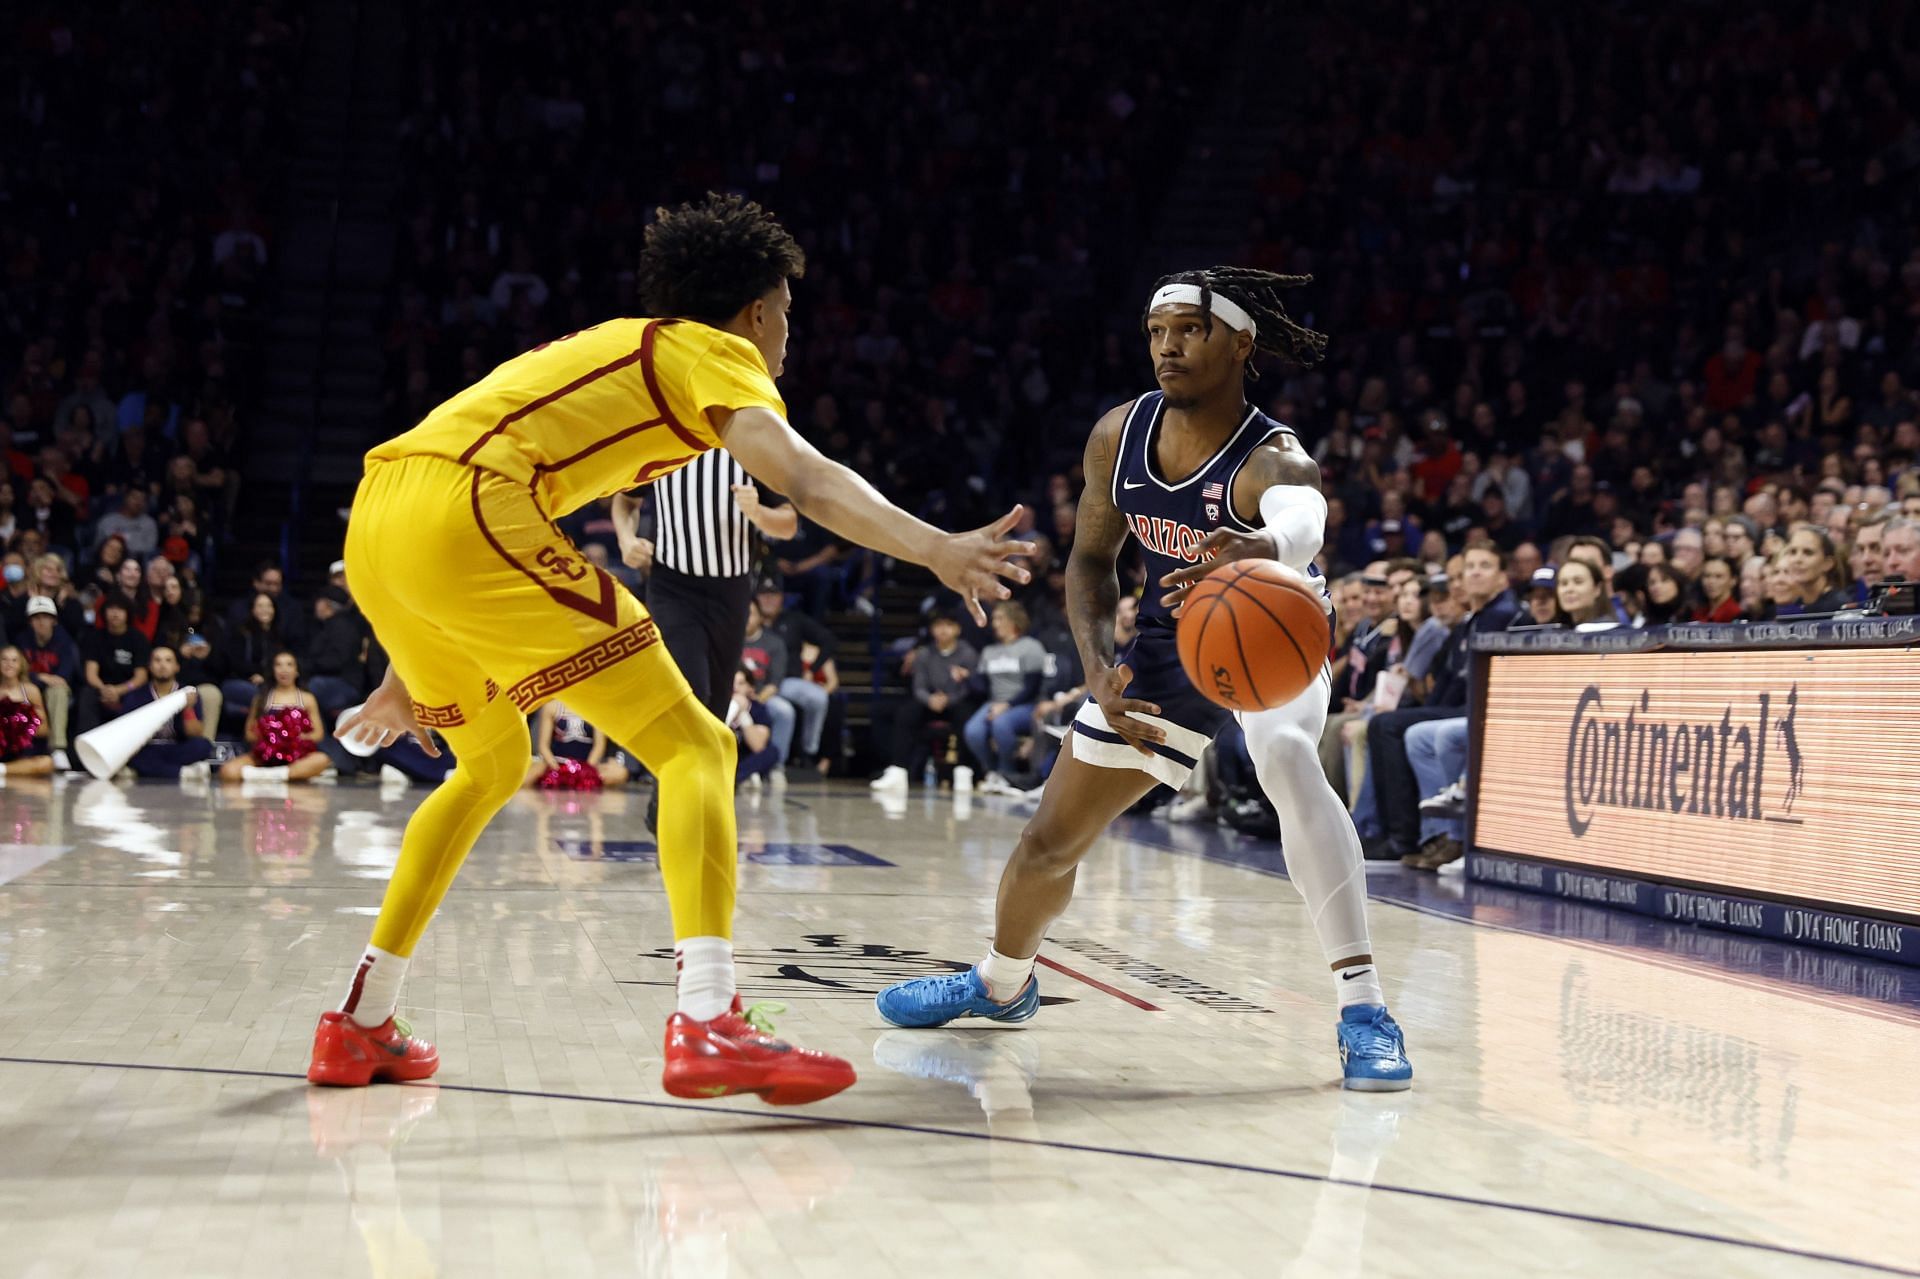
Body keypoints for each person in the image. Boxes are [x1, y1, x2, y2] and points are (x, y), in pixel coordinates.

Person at [312, 193, 1031, 1104]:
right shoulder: (710, 349)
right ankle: (708, 1014)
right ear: (760, 311)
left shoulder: (613, 350)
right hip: (467, 509)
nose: (784, 340)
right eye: (787, 318)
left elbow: (437, 513)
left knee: (490, 766)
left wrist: (401, 669)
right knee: (698, 744)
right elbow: (804, 476)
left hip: (382, 525)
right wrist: (937, 547)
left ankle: (362, 1019)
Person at [876, 267, 1411, 1090]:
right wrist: (1100, 671)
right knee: (1048, 841)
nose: (1168, 346)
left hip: (1273, 626)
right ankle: (1001, 983)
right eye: (1156, 332)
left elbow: (1305, 521)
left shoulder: (1274, 455)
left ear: (1240, 343)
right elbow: (1092, 561)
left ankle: (1364, 1006)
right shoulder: (1117, 435)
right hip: (1168, 642)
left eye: (1189, 330)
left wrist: (1262, 550)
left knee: (1288, 759)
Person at [872, 609, 976, 792]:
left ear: (958, 629)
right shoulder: (924, 654)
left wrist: (949, 699)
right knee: (906, 713)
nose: (943, 630)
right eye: (938, 626)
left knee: (966, 714)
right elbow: (918, 686)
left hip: (956, 700)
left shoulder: (967, 653)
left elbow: (969, 687)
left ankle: (962, 770)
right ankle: (898, 769)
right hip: (930, 700)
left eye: (949, 625)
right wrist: (930, 700)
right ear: (932, 629)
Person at [962, 601, 1047, 794]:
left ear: (1013, 621)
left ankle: (1007, 772)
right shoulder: (989, 651)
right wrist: (967, 678)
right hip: (995, 702)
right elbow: (982, 686)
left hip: (1025, 704)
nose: (995, 623)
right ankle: (992, 771)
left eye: (999, 618)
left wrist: (1007, 705)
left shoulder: (1031, 647)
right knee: (973, 730)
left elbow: (1032, 687)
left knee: (1001, 724)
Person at [217, 651, 333, 783]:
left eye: (289, 665)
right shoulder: (261, 698)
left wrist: (291, 739)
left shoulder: (307, 699)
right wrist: (270, 739)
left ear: (297, 671)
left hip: (297, 756)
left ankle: (273, 775)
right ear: (273, 670)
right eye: (279, 665)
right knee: (228, 771)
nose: (284, 670)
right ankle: (280, 775)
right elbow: (249, 733)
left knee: (322, 760)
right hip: (264, 756)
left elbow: (318, 734)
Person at [123, 647, 215, 781]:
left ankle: (154, 770)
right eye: (157, 660)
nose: (162, 665)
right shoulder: (136, 696)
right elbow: (128, 735)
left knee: (203, 745)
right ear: (150, 666)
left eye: (168, 660)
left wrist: (188, 708)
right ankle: (183, 772)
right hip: (148, 748)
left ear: (176, 667)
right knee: (131, 755)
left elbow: (196, 733)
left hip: (176, 746)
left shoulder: (188, 693)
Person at [75, 596, 151, 735]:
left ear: (127, 613)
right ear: (104, 612)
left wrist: (119, 690)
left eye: (120, 609)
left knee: (138, 697)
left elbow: (141, 677)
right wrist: (104, 689)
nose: (115, 613)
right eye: (111, 609)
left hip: (128, 689)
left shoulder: (138, 638)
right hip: (101, 689)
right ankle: (87, 745)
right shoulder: (95, 637)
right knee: (87, 694)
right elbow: (91, 674)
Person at [20, 596, 79, 760]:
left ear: (54, 620)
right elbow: (18, 671)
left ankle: (58, 748)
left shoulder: (64, 641)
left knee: (58, 690)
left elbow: (63, 677)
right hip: (30, 688)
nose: (41, 622)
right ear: (30, 621)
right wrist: (41, 677)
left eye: (46, 617)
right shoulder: (23, 640)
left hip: (56, 692)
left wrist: (38, 679)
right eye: (36, 618)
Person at [524, 700, 631, 789]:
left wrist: (585, 770)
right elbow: (543, 746)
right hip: (555, 764)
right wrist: (556, 768)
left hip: (587, 765)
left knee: (621, 773)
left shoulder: (597, 708)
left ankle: (583, 783)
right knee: (526, 778)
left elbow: (599, 746)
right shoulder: (552, 707)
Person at [0, 646, 53, 777]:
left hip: (23, 750)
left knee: (47, 763)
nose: (9, 664)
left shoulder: (30, 691)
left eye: (14, 660)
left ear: (20, 665)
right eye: (4, 660)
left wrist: (21, 725)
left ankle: (3, 769)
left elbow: (45, 729)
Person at [1688, 555, 1742, 623]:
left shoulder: (1736, 614)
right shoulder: (1698, 613)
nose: (1711, 582)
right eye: (1707, 576)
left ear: (1733, 580)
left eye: (1719, 576)